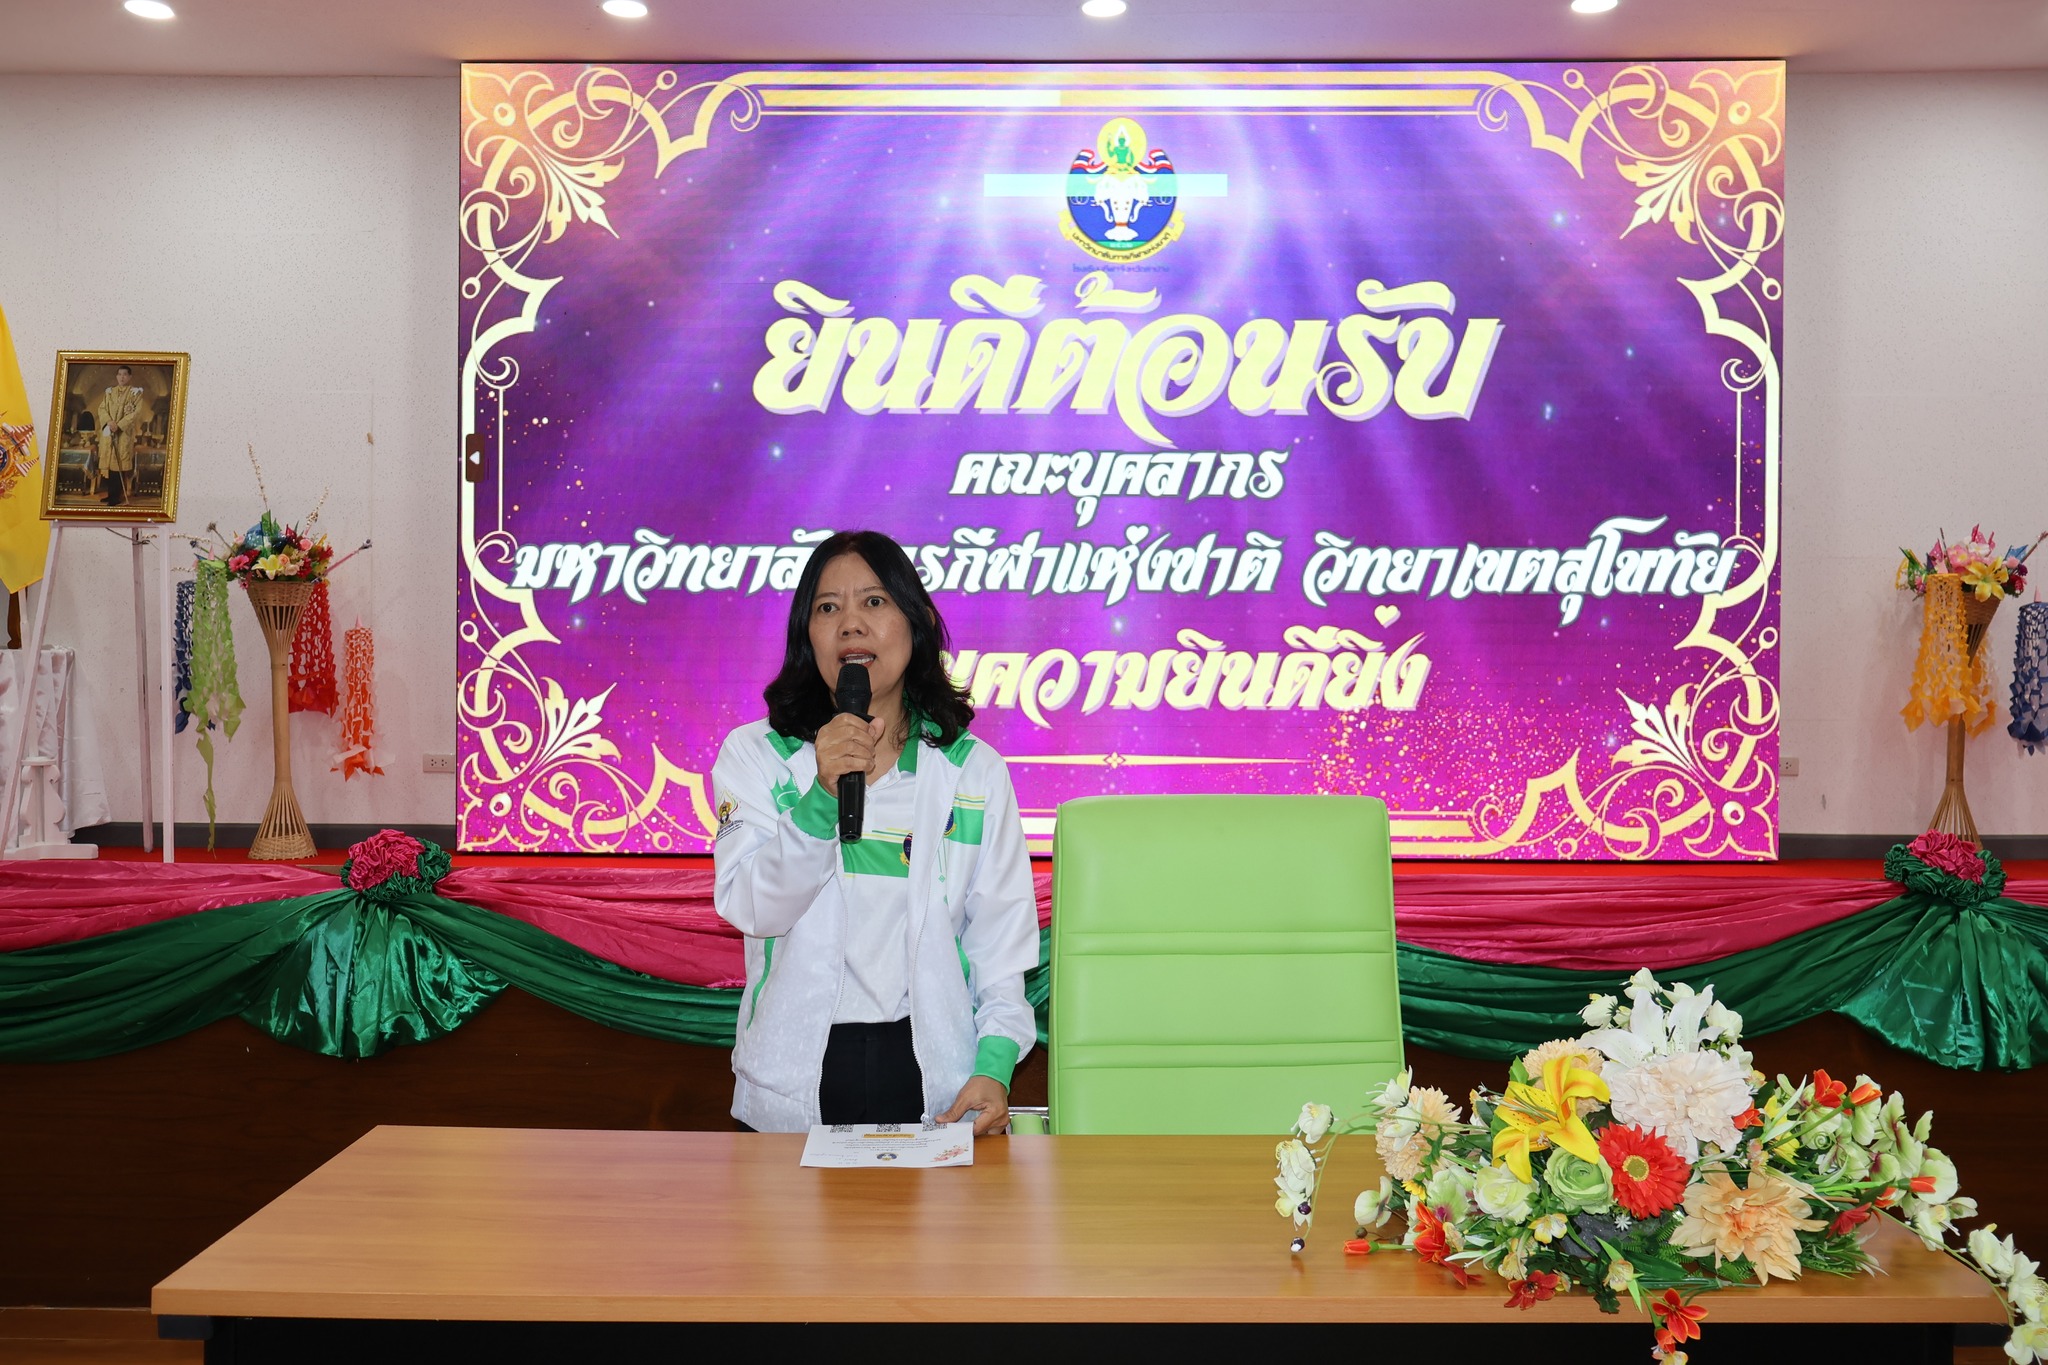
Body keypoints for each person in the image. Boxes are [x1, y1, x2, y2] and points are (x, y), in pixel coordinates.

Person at [711, 530, 1038, 1135]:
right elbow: (754, 907)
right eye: (827, 607)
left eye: (874, 601)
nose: (851, 624)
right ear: (807, 635)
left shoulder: (972, 771)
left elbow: (1000, 944)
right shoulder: (756, 756)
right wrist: (820, 798)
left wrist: (994, 1066)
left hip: (931, 1074)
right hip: (794, 1074)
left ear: (915, 623)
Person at [93, 366, 144, 507]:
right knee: (110, 466)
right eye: (119, 374)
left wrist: (119, 425)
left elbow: (136, 413)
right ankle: (111, 494)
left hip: (123, 434)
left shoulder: (135, 393)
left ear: (129, 377)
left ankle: (116, 496)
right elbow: (102, 408)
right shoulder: (109, 392)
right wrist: (109, 422)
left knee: (118, 465)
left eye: (125, 375)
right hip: (109, 432)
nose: (122, 377)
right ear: (116, 376)